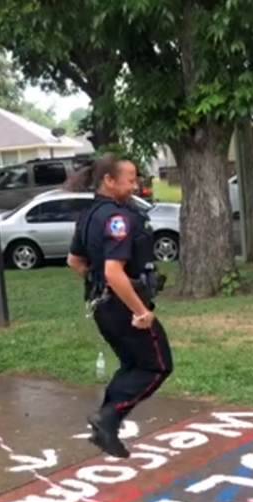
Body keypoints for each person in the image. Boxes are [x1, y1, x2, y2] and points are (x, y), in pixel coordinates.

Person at [66, 154, 173, 459]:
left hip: (103, 305)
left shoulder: (87, 215)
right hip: (123, 307)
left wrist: (97, 282)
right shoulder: (118, 218)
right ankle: (108, 417)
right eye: (130, 179)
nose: (135, 185)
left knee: (132, 364)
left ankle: (106, 423)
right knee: (157, 365)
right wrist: (141, 310)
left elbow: (75, 262)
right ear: (109, 181)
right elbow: (114, 271)